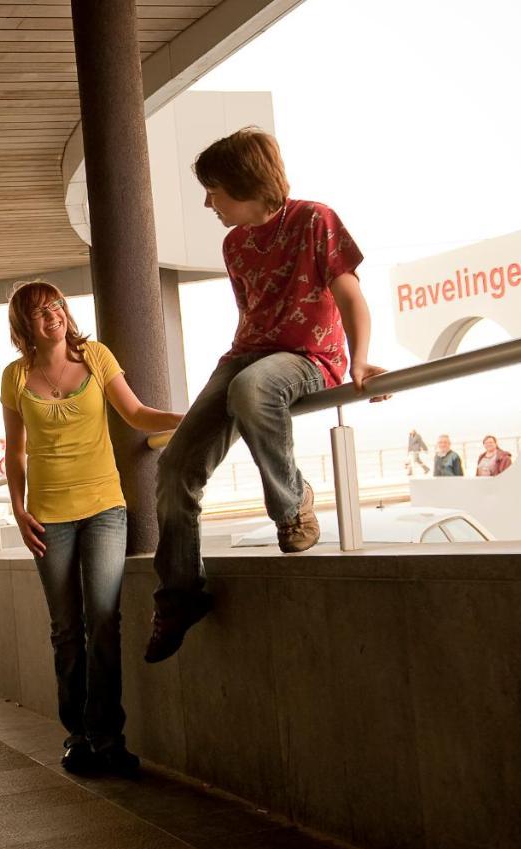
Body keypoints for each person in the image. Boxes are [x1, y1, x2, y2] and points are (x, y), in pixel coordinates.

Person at [147, 127, 388, 664]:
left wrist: (363, 357)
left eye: (214, 189)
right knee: (174, 467)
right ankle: (181, 595)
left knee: (253, 388)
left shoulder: (313, 219)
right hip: (246, 355)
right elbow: (251, 314)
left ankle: (292, 505)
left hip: (309, 357)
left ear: (245, 182)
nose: (208, 202)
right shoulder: (234, 244)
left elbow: (350, 294)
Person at [1, 280, 186, 776]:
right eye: (39, 312)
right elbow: (14, 451)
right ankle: (77, 735)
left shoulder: (96, 355)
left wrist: (187, 419)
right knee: (66, 629)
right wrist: (18, 510)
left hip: (105, 507)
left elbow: (136, 412)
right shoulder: (15, 376)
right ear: (25, 325)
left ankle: (108, 737)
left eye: (56, 306)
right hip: (47, 516)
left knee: (103, 621)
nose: (52, 316)